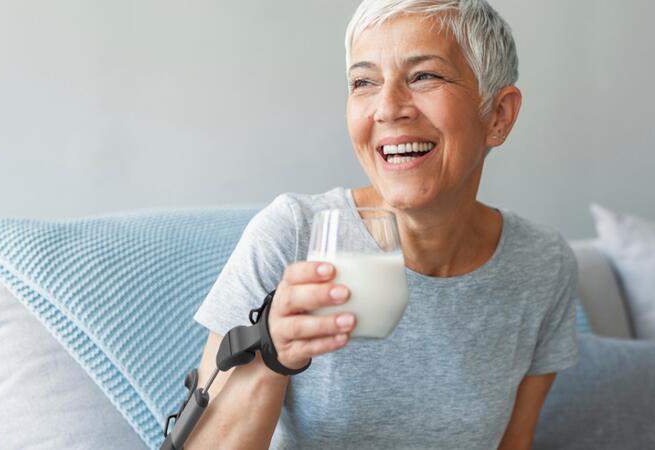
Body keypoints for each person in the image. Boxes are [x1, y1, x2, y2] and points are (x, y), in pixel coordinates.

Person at [185, 0, 580, 449]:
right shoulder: (293, 234)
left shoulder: (542, 266)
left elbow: (514, 443)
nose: (388, 108)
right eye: (364, 82)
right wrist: (273, 355)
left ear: (499, 115)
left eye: (424, 76)